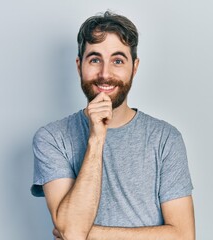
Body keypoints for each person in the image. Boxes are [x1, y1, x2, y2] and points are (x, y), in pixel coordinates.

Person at [31, 11, 195, 240]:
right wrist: (97, 137)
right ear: (79, 66)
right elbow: (71, 232)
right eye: (95, 60)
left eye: (118, 61)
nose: (105, 74)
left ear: (134, 68)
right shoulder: (52, 138)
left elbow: (183, 236)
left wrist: (92, 233)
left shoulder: (165, 138)